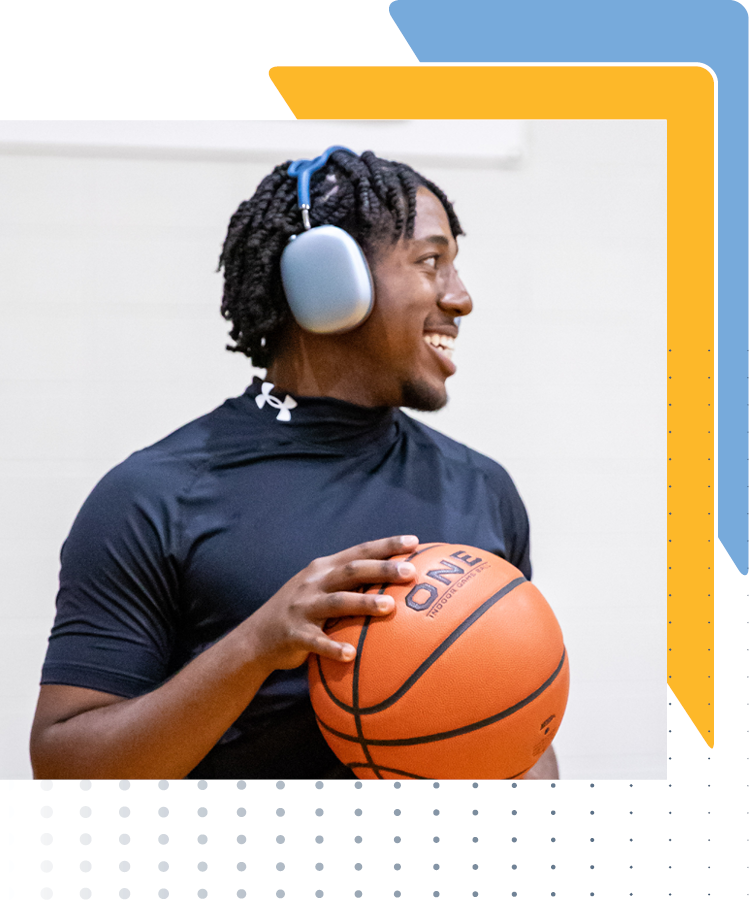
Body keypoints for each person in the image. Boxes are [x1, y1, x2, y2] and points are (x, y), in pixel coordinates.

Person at [30, 148, 558, 780]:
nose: (461, 297)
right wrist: (257, 645)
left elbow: (524, 742)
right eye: (430, 261)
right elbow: (64, 770)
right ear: (329, 283)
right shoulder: (153, 496)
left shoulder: (482, 489)